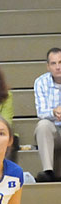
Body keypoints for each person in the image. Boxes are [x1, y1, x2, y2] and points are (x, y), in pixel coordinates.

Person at [34, 47, 61, 182]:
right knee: (43, 125)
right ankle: (48, 172)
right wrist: (53, 112)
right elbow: (41, 113)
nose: (58, 67)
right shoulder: (40, 82)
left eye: (60, 62)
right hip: (53, 130)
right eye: (53, 63)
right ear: (48, 66)